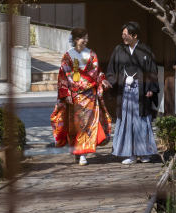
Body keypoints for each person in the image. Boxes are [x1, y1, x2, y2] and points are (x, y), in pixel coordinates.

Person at [50, 27, 112, 165]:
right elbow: (63, 76)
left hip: (89, 95)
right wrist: (66, 93)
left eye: (87, 38)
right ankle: (77, 152)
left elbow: (97, 71)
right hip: (74, 96)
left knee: (86, 124)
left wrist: (103, 80)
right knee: (74, 125)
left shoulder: (91, 54)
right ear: (76, 39)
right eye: (83, 38)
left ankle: (83, 153)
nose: (86, 41)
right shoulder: (68, 55)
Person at [105, 21, 159, 164]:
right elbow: (112, 69)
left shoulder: (146, 50)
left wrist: (151, 88)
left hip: (141, 92)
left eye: (126, 34)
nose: (124, 37)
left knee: (141, 122)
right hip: (125, 93)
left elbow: (152, 71)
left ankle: (145, 152)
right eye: (123, 34)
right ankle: (130, 154)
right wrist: (111, 81)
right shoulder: (119, 50)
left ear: (134, 35)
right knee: (128, 122)